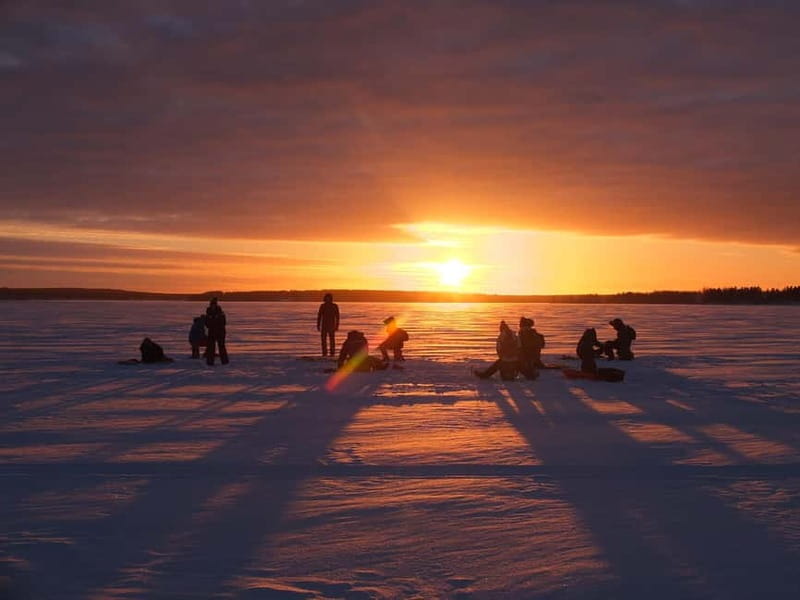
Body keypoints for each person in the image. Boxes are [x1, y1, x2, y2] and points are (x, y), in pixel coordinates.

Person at [205, 297, 229, 365]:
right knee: (211, 347)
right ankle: (210, 362)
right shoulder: (208, 313)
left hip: (220, 332)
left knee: (221, 346)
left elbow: (223, 322)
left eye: (214, 305)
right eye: (212, 305)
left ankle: (224, 361)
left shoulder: (220, 313)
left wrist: (215, 322)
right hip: (212, 332)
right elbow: (206, 323)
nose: (213, 306)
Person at [316, 293, 340, 357]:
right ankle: (324, 353)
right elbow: (319, 316)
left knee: (332, 340)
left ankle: (332, 353)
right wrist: (318, 325)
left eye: (329, 298)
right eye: (327, 298)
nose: (328, 299)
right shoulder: (322, 306)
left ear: (331, 299)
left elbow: (337, 317)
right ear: (325, 298)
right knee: (323, 340)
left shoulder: (334, 306)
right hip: (324, 325)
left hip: (331, 325)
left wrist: (337, 325)